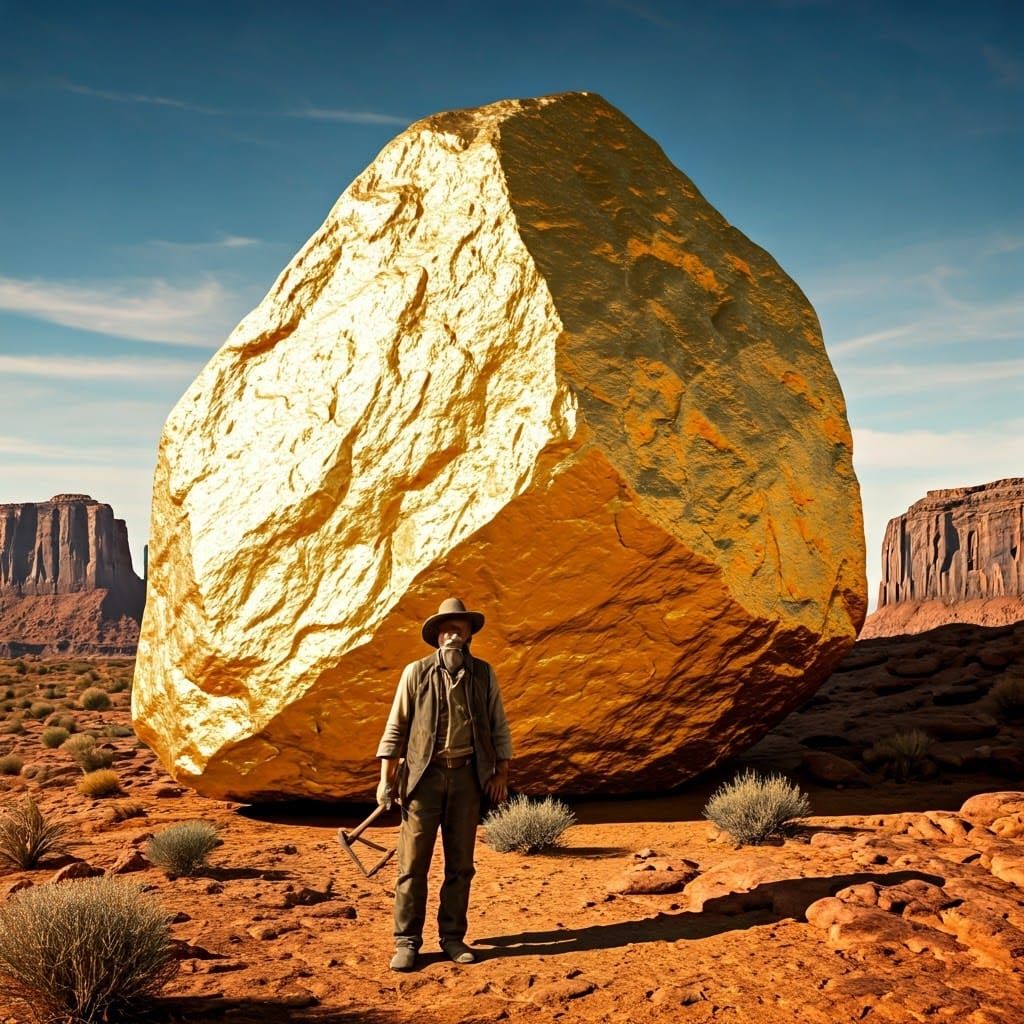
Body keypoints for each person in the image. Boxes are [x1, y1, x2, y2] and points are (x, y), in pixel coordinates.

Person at [376, 597, 513, 972]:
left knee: (461, 866)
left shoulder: (483, 674)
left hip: (468, 778)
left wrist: (500, 773)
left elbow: (499, 726)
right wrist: (386, 779)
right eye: (446, 628)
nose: (453, 634)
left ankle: (452, 938)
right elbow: (396, 728)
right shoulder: (415, 673)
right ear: (437, 635)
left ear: (469, 633)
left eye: (460, 627)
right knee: (412, 864)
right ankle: (407, 942)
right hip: (423, 779)